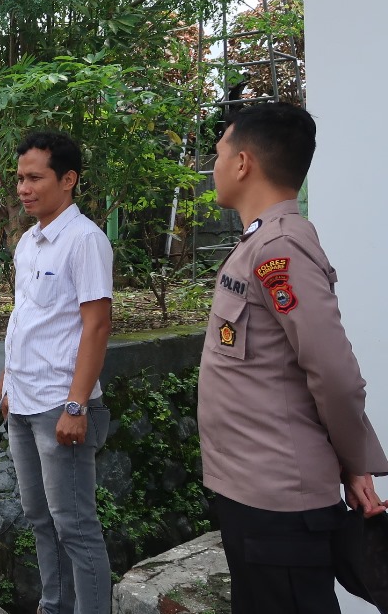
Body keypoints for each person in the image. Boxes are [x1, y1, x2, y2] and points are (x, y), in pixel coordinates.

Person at [198, 103, 387, 614]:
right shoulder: (260, 241)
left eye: (219, 154)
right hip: (252, 492)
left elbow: (335, 375)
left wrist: (355, 462)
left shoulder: (281, 248)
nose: (214, 166)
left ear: (243, 164)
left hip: (277, 503)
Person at [0, 131, 114, 614]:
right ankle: (54, 607)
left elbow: (97, 325)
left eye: (34, 178)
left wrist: (76, 404)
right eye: (20, 178)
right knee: (39, 517)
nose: (23, 188)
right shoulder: (29, 241)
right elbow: (27, 314)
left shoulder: (85, 240)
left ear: (68, 180)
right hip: (23, 401)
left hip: (60, 405)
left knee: (76, 525)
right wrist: (7, 377)